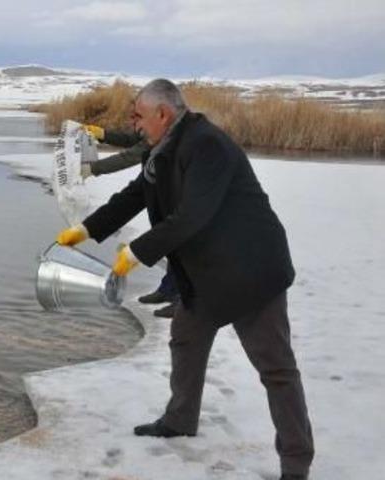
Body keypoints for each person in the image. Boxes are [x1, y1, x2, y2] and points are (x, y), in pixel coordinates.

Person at [56, 79, 314, 480]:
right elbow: (134, 196)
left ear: (164, 113)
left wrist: (136, 253)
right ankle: (179, 420)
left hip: (250, 273)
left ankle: (296, 464)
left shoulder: (207, 145)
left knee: (276, 368)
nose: (133, 123)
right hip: (206, 275)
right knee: (186, 340)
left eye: (138, 116)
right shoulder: (163, 150)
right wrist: (87, 230)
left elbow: (193, 216)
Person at [79, 123, 180, 318]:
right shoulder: (153, 126)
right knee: (169, 246)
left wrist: (93, 169)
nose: (136, 121)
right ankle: (168, 289)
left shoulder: (167, 133)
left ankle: (183, 300)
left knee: (181, 247)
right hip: (158, 190)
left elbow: (131, 155)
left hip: (177, 194)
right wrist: (104, 134)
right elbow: (134, 140)